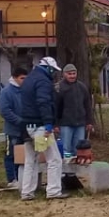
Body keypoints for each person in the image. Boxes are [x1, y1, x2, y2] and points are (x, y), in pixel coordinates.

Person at [18, 56, 67, 201]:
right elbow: (43, 102)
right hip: (40, 127)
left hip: (26, 126)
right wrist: (48, 123)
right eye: (53, 71)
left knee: (30, 160)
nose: (54, 74)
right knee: (54, 159)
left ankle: (26, 192)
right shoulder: (43, 82)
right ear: (49, 69)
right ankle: (53, 191)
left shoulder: (28, 80)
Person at [0, 66, 28, 189]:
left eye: (26, 78)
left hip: (25, 129)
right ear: (15, 78)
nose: (24, 81)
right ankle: (11, 179)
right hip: (12, 130)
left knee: (22, 155)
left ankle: (21, 178)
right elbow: (5, 111)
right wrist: (19, 121)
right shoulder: (6, 92)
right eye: (22, 78)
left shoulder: (25, 90)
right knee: (10, 155)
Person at [56, 63, 94, 156]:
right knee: (65, 149)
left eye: (74, 73)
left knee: (79, 149)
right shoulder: (59, 88)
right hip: (65, 124)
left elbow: (87, 105)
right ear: (64, 74)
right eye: (69, 74)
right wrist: (55, 124)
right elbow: (56, 107)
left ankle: (76, 169)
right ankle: (65, 170)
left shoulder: (82, 87)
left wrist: (89, 121)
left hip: (80, 123)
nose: (72, 76)